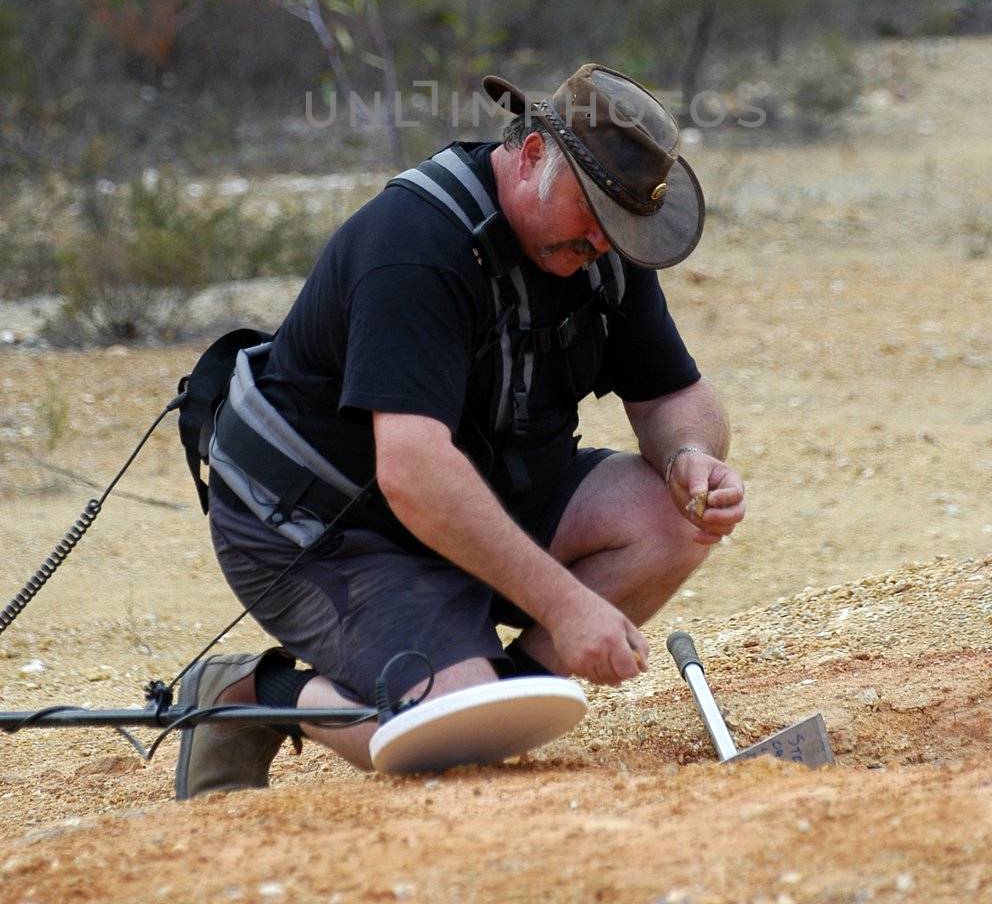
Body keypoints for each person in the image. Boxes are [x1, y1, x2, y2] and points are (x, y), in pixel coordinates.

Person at [176, 63, 745, 798]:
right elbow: (413, 472)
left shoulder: (596, 247)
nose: (602, 243)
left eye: (619, 226)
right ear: (534, 155)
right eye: (594, 215)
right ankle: (245, 692)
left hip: (474, 496)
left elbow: (678, 395)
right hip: (320, 526)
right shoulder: (415, 247)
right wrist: (567, 607)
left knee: (671, 516)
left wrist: (689, 457)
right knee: (441, 739)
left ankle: (489, 694)